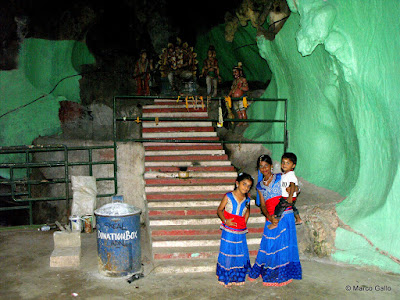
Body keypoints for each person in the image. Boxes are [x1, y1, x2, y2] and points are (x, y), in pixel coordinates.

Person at [249, 154, 302, 286]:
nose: (264, 168)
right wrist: (269, 217)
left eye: (266, 165)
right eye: (261, 166)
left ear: (271, 166)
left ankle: (282, 274)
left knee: (282, 244)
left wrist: (293, 192)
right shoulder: (260, 186)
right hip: (271, 217)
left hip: (285, 214)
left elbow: (295, 187)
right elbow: (262, 205)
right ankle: (267, 271)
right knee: (269, 245)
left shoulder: (280, 177)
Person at [216, 172, 253, 287]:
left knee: (239, 251)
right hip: (228, 228)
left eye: (248, 186)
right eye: (244, 184)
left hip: (240, 230)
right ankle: (225, 275)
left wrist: (244, 222)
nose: (246, 188)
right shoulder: (228, 196)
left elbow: (247, 211)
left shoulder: (247, 199)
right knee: (228, 250)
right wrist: (225, 221)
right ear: (237, 183)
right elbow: (219, 210)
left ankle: (237, 276)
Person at [270, 152, 302, 229]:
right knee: (292, 207)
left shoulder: (290, 175)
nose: (284, 164)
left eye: (288, 163)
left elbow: (293, 185)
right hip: (288, 196)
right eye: (283, 162)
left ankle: (275, 222)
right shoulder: (285, 174)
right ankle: (298, 219)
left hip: (288, 197)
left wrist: (290, 196)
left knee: (279, 208)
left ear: (293, 165)